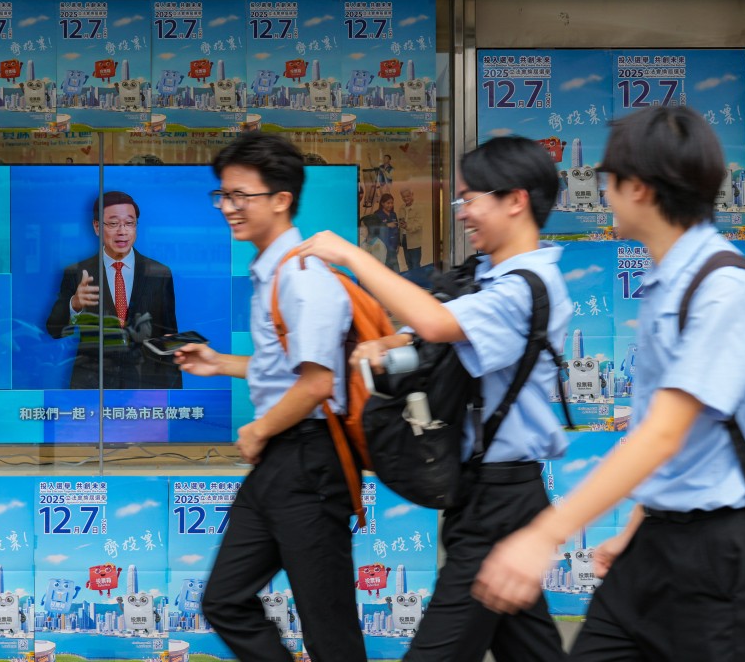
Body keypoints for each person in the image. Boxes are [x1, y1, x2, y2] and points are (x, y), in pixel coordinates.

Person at [474, 106, 745, 660]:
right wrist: (634, 530)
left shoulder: (723, 290)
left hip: (716, 562)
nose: (602, 195)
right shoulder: (668, 284)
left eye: (606, 182)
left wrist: (545, 534)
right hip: (654, 546)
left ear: (637, 188)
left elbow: (664, 434)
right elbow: (685, 446)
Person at [299, 135, 572, 662]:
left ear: (515, 199)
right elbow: (434, 338)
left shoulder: (525, 288)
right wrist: (392, 345)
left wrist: (350, 254)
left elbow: (436, 322)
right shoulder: (489, 278)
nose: (463, 213)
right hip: (486, 494)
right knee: (532, 650)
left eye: (471, 199)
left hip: (502, 501)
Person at [173, 132, 365, 662]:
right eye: (223, 196)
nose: (228, 208)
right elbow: (289, 371)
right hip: (283, 462)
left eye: (241, 196)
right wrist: (219, 364)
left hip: (308, 459)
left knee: (329, 629)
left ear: (281, 199)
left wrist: (258, 429)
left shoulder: (303, 277)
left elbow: (317, 384)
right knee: (225, 599)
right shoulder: (275, 272)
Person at [45, 190, 182, 390]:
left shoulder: (159, 273)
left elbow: (169, 338)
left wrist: (173, 396)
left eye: (129, 223)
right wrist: (75, 304)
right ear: (97, 227)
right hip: (92, 386)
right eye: (113, 223)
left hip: (144, 385)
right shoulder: (77, 273)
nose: (122, 231)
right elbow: (54, 330)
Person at [373, 192, 401, 271]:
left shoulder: (393, 214)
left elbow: (397, 229)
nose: (390, 205)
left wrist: (398, 244)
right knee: (387, 270)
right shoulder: (377, 214)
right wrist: (386, 225)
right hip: (383, 247)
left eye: (392, 203)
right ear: (382, 203)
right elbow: (374, 229)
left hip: (393, 247)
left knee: (395, 271)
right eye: (388, 203)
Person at [399, 187, 425, 271]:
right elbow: (400, 223)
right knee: (408, 264)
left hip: (414, 242)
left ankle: (418, 283)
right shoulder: (401, 208)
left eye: (408, 196)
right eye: (403, 197)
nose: (405, 198)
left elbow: (418, 225)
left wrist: (407, 226)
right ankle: (411, 282)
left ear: (412, 195)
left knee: (415, 265)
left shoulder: (419, 207)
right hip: (404, 240)